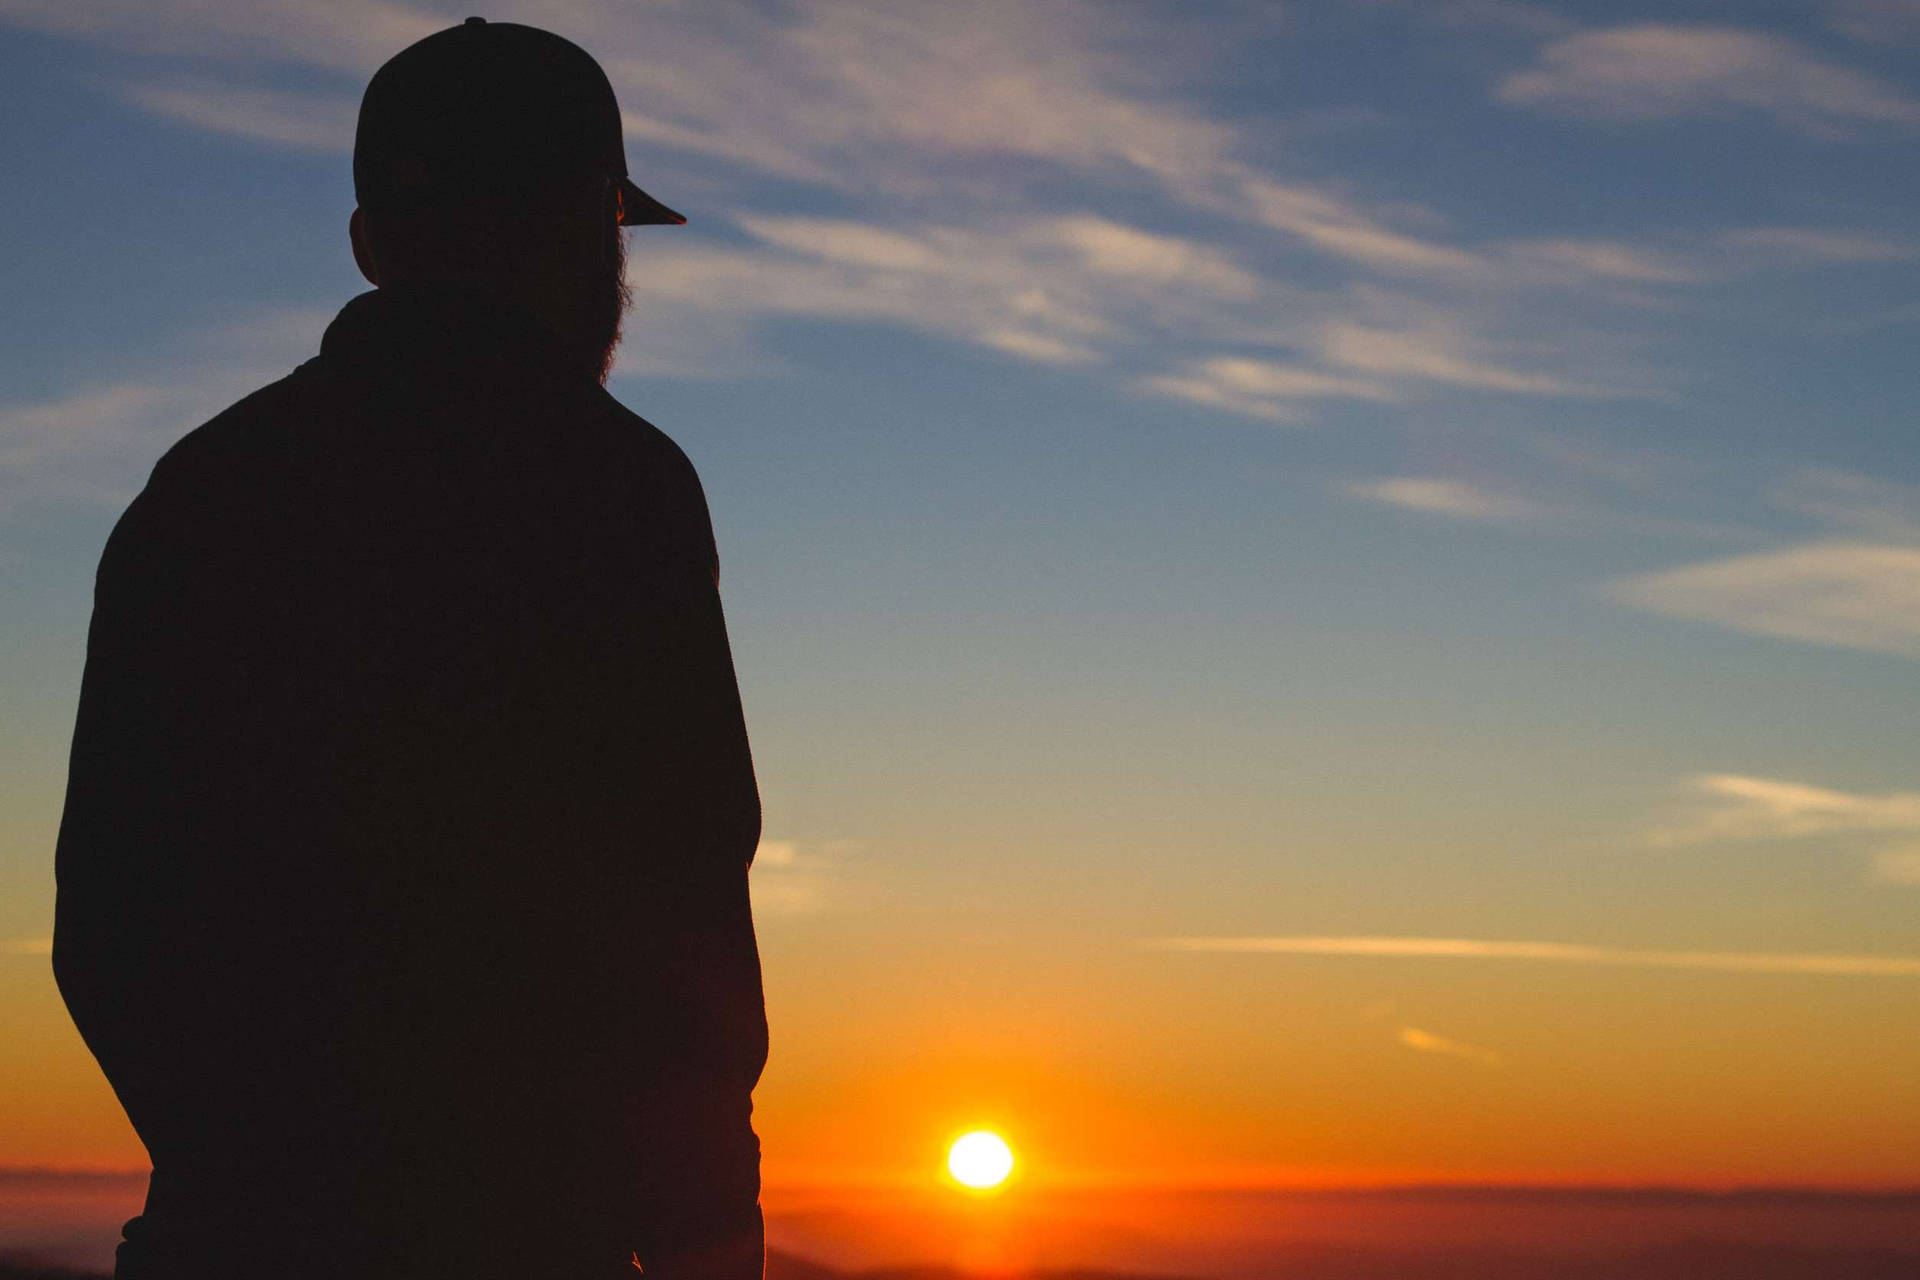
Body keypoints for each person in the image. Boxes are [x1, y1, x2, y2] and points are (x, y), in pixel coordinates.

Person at [52, 18, 767, 1280]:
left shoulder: (209, 488)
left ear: (371, 243)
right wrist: (707, 1226)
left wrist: (253, 1179)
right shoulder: (615, 487)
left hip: (233, 1236)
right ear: (586, 239)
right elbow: (685, 901)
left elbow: (109, 919)